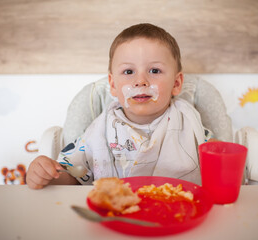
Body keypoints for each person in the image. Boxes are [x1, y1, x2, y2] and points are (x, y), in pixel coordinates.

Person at [26, 23, 215, 189]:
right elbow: (74, 174)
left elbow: (217, 165)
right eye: (128, 71)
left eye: (155, 70)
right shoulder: (100, 130)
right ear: (114, 85)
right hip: (114, 212)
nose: (140, 81)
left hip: (177, 211)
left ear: (176, 84)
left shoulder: (189, 123)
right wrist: (49, 174)